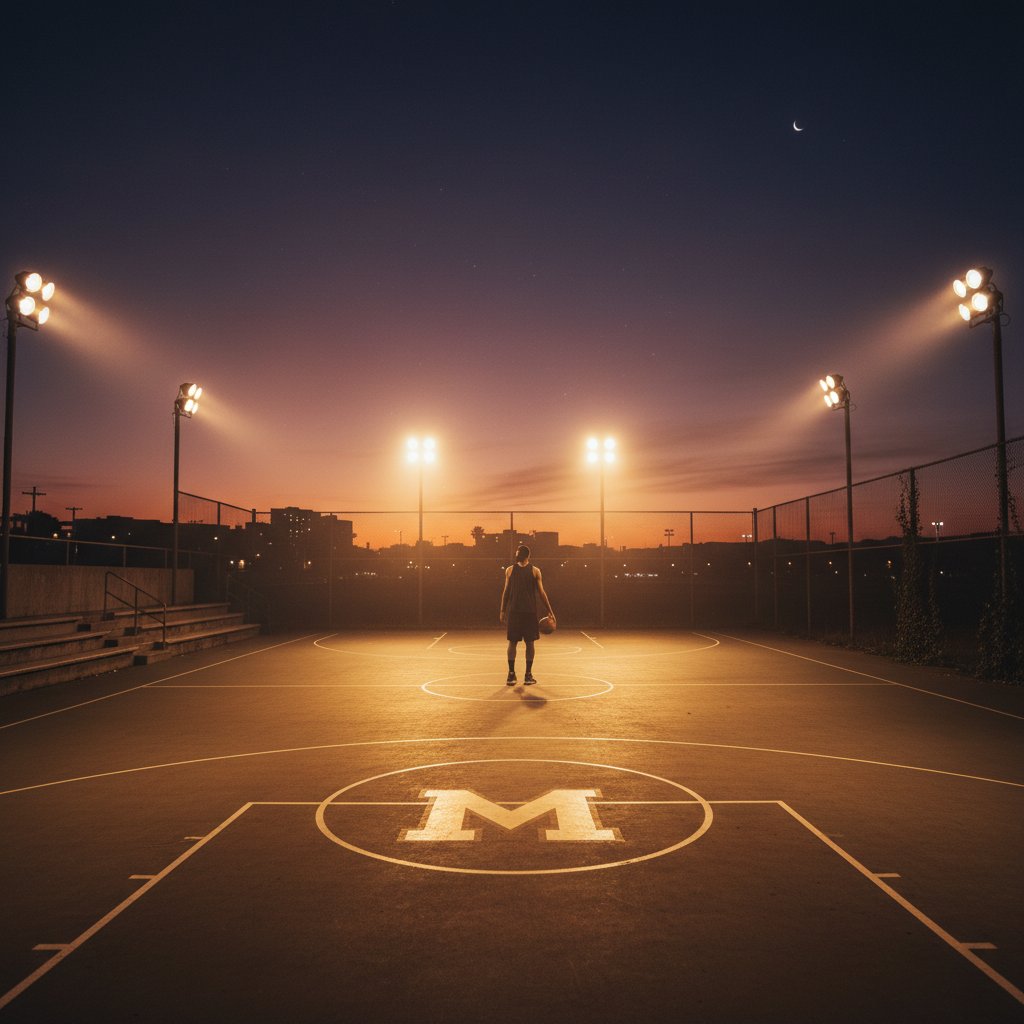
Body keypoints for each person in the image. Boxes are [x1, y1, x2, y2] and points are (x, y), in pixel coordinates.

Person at [499, 543, 555, 685]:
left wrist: (550, 610)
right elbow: (506, 591)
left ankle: (528, 675)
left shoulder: (535, 571)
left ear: (526, 556)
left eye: (519, 554)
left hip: (530, 612)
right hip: (515, 612)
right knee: (512, 643)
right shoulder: (510, 570)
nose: (517, 556)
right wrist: (502, 610)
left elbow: (541, 592)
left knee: (530, 643)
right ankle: (511, 674)